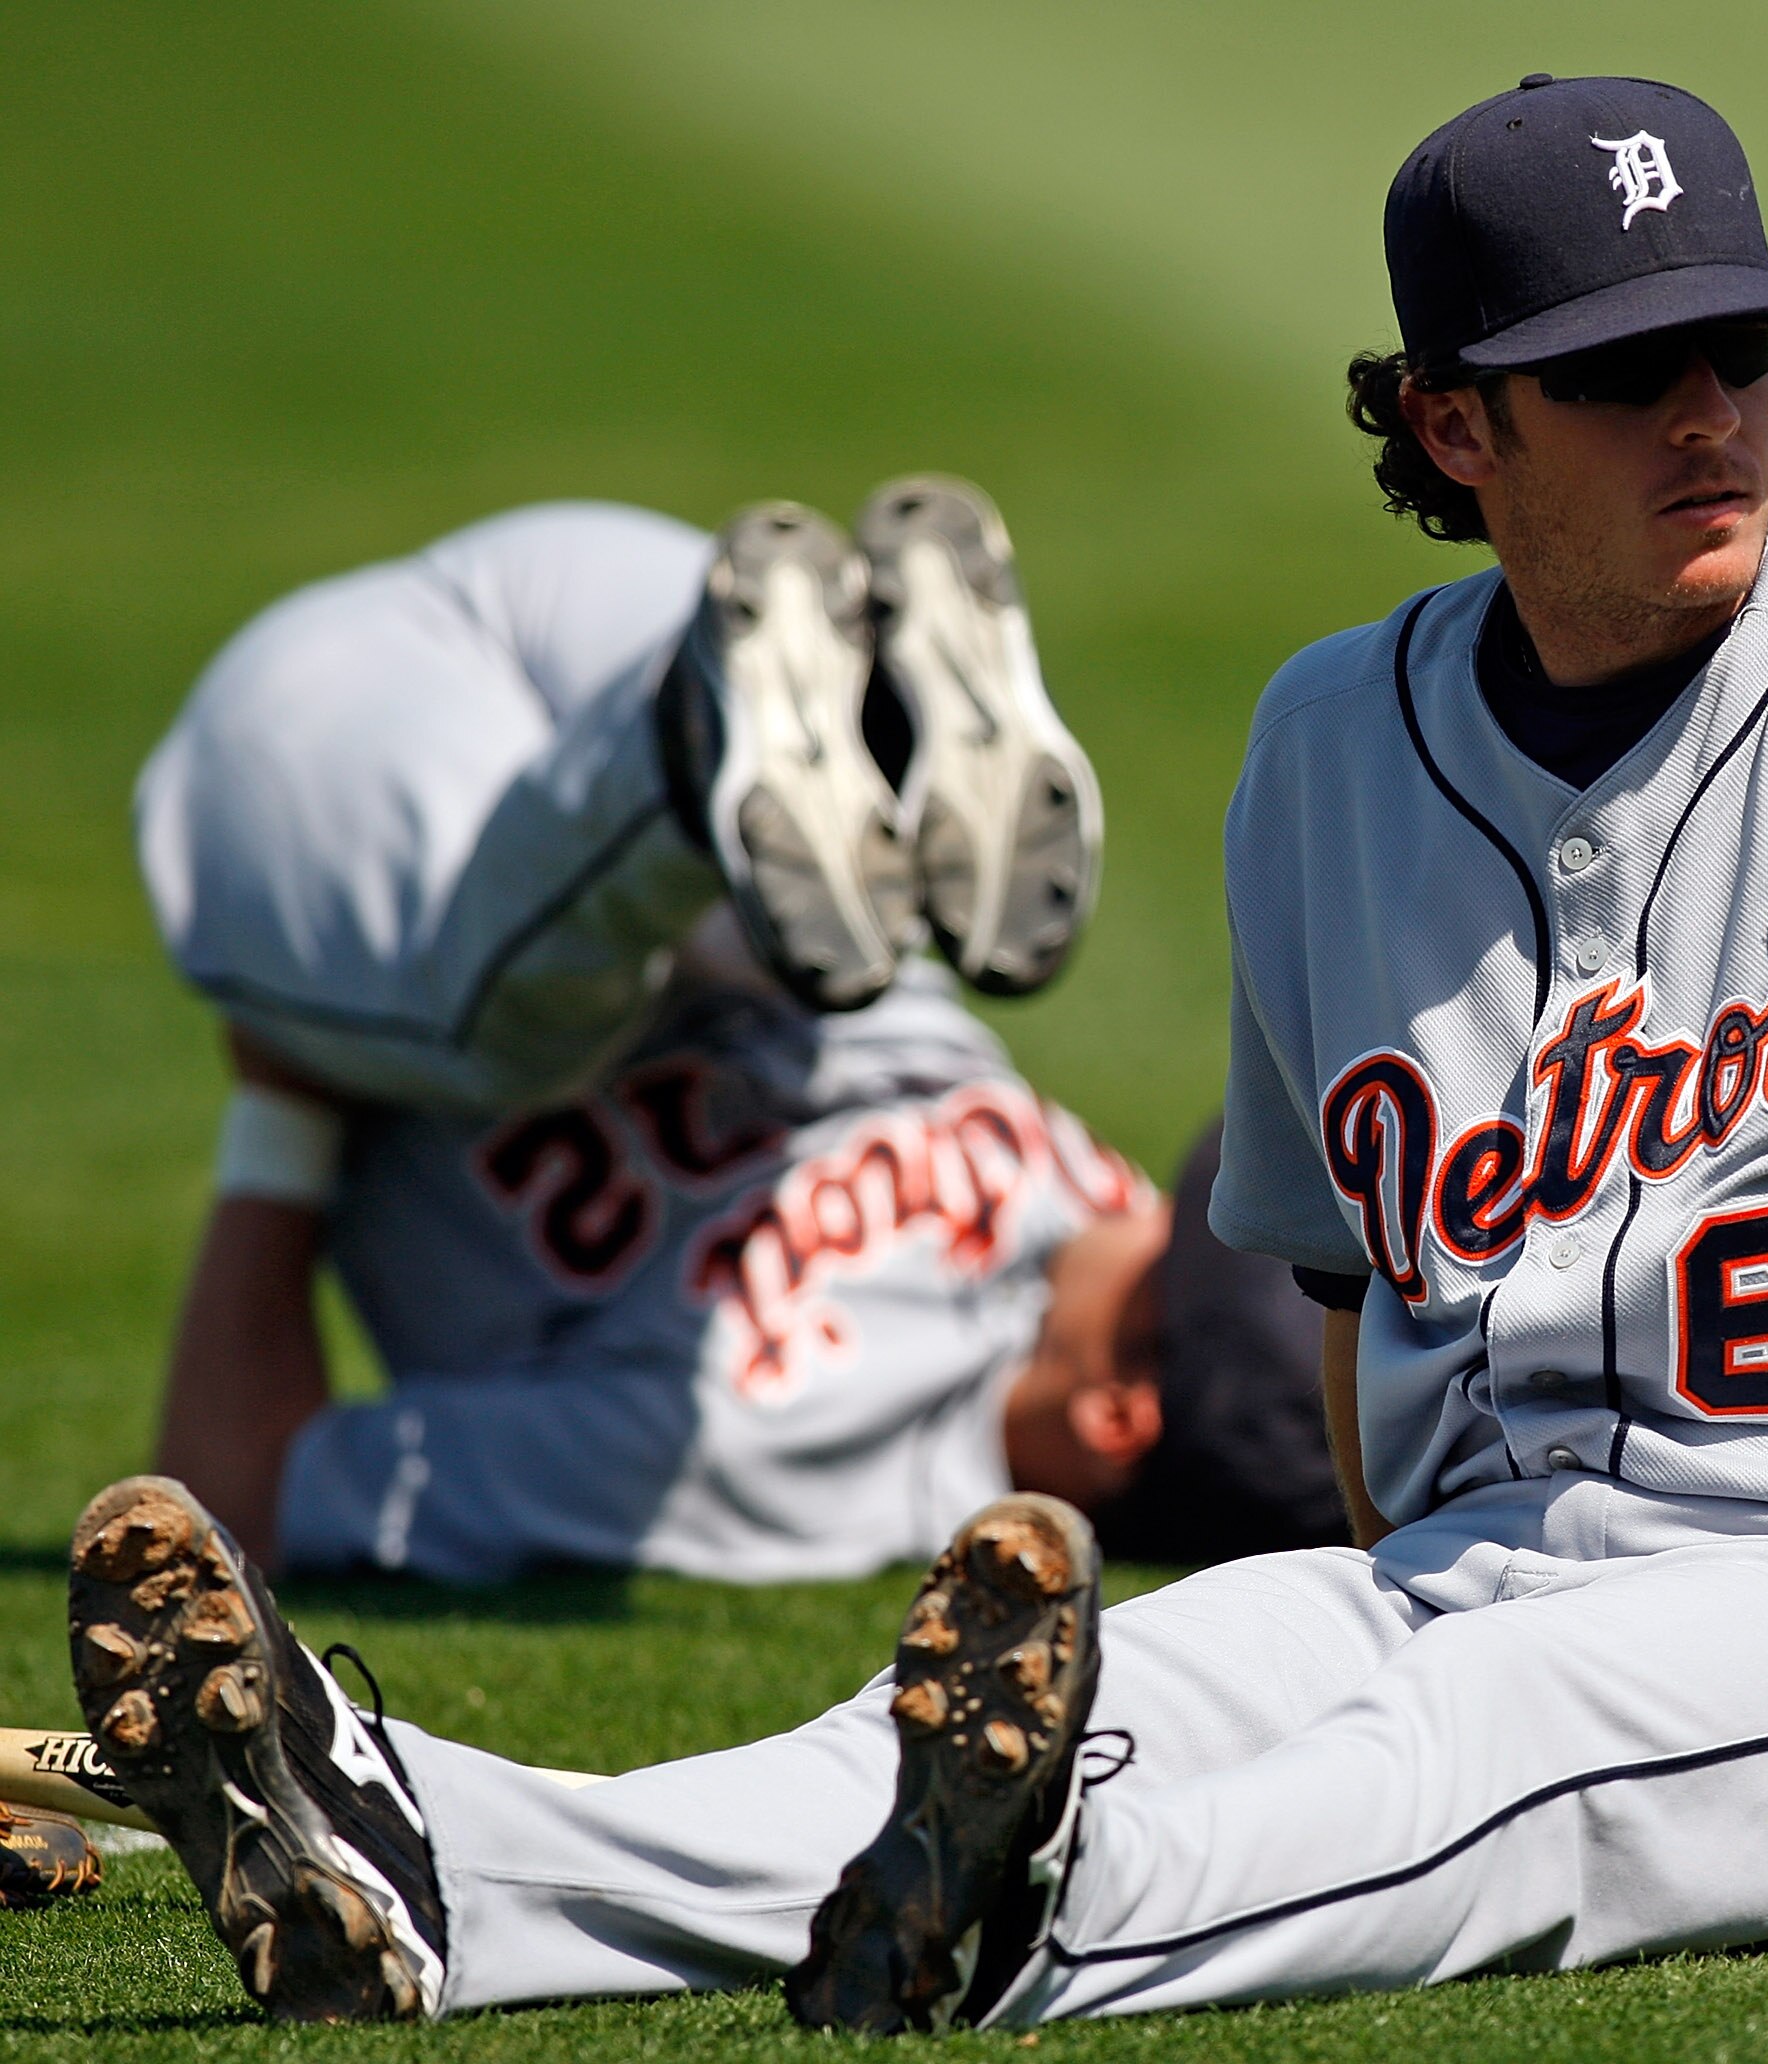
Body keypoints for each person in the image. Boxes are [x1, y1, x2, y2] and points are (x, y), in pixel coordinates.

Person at [68, 77, 1768, 2036]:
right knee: (1068, 1691)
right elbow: (1355, 1293)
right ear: (1449, 422)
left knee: (1472, 1772)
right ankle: (428, 1855)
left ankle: (1030, 1910)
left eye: (1743, 345)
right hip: (1461, 1558)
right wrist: (1378, 1585)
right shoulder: (1324, 753)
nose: (1710, 409)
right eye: (1623, 369)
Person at [130, 488, 1343, 1582]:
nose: (1134, 1200)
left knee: (527, 1034)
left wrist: (282, 1121)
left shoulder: (797, 1462)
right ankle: (802, 733)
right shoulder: (1074, 1211)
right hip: (589, 630)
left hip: (357, 800)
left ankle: (719, 761)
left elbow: (248, 1509)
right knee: (776, 948)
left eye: (1172, 1244)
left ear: (1117, 1414)